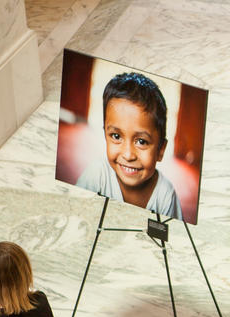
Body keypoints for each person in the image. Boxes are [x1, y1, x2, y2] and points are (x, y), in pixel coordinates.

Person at [75, 72, 182, 218]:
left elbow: (173, 230)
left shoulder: (165, 195)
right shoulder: (96, 175)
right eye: (116, 136)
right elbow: (76, 213)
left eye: (141, 141)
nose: (128, 155)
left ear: (161, 150)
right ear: (105, 135)